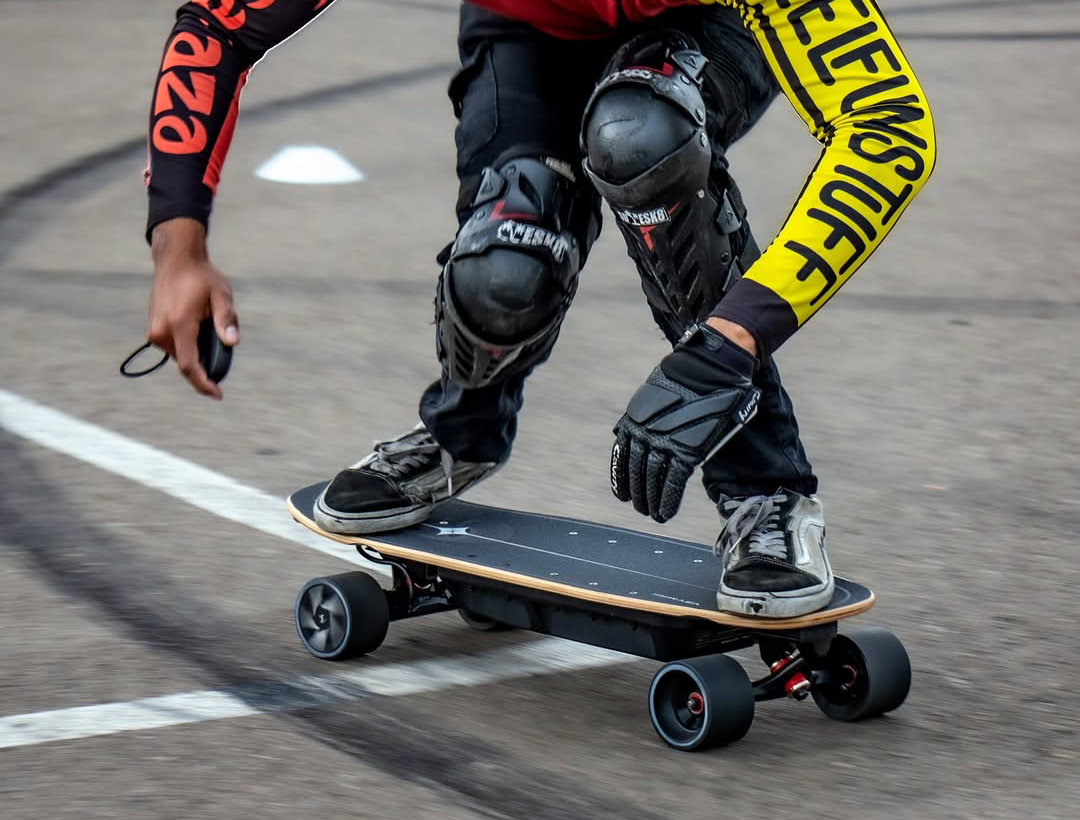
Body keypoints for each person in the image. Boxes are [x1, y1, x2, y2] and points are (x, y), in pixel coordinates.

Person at [143, 0, 935, 618]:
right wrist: (179, 247)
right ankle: (462, 430)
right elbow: (218, 25)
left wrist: (729, 343)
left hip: (708, 24)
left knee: (643, 135)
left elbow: (889, 128)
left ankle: (767, 493)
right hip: (529, 24)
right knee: (504, 264)